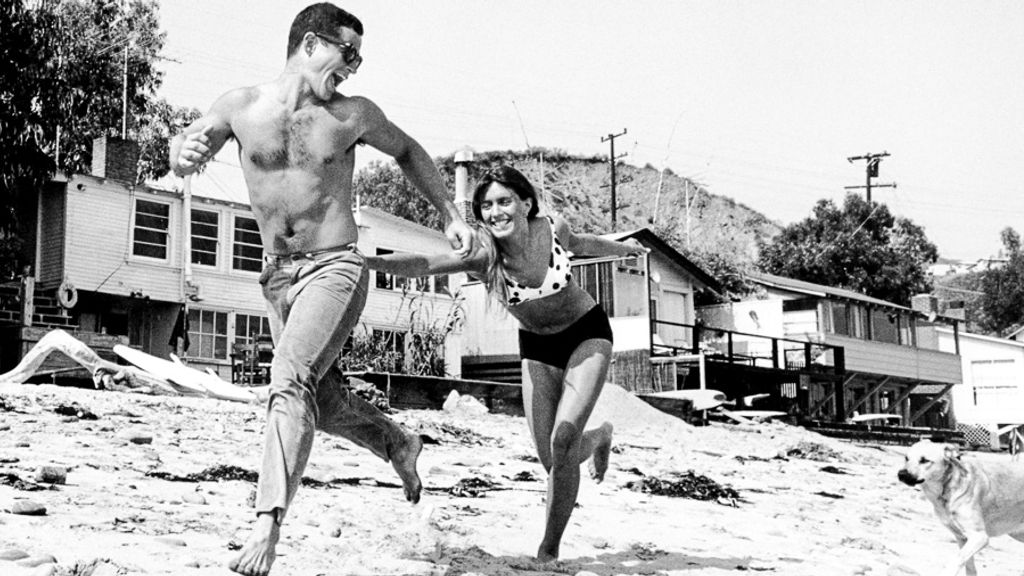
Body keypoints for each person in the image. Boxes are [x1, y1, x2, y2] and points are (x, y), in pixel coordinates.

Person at [168, 4, 473, 575]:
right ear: (311, 44)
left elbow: (407, 150)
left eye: (359, 57)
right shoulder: (240, 106)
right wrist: (178, 153)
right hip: (278, 274)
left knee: (288, 382)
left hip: (336, 267)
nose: (354, 67)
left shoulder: (352, 114)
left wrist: (450, 213)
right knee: (322, 402)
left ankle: (266, 525)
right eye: (348, 52)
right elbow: (191, 139)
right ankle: (398, 445)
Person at [365, 165, 645, 562]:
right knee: (552, 459)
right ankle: (599, 437)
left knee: (563, 440)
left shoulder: (552, 230)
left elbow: (584, 242)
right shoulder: (484, 255)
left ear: (525, 202)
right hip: (536, 347)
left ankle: (548, 551)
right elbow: (426, 264)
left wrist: (626, 249)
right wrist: (368, 262)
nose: (495, 212)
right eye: (486, 206)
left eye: (504, 201)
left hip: (586, 332)